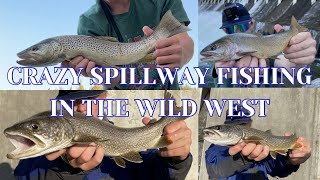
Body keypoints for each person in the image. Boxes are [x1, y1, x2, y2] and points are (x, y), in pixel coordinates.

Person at [14, 90, 193, 180]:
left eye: (92, 98)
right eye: (72, 98)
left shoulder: (138, 161)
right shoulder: (32, 160)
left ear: (104, 98)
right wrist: (65, 172)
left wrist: (175, 161)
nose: (82, 107)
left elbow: (159, 175)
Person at [62, 0, 194, 90]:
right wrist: (103, 74)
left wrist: (181, 53)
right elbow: (111, 76)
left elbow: (183, 40)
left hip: (168, 97)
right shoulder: (89, 22)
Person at [201, 3, 317, 88]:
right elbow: (219, 70)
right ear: (225, 32)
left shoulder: (266, 43)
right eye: (231, 29)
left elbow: (285, 64)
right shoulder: (220, 63)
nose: (237, 32)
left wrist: (298, 59)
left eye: (242, 27)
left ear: (252, 24)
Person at [205, 104, 312, 179]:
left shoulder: (258, 146)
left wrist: (290, 160)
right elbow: (215, 170)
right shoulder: (215, 149)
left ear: (250, 124)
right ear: (227, 125)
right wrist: (242, 160)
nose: (240, 127)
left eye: (243, 125)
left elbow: (276, 167)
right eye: (235, 125)